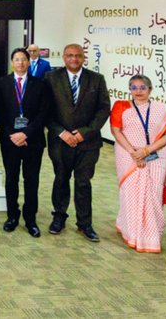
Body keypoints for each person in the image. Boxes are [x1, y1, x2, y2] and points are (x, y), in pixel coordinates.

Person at [46, 43, 110, 242]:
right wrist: (61, 132)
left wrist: (85, 133)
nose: (74, 59)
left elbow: (103, 109)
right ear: (64, 57)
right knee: (61, 179)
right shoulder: (51, 78)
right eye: (70, 55)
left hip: (88, 143)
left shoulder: (97, 79)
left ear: (84, 58)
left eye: (78, 55)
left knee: (83, 183)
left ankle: (85, 223)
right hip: (60, 141)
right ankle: (59, 217)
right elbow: (45, 110)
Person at [110, 74, 166, 253]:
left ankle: (151, 233)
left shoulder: (162, 110)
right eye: (134, 88)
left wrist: (146, 151)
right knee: (131, 193)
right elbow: (116, 131)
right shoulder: (121, 106)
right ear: (129, 89)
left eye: (142, 87)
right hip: (127, 155)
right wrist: (134, 153)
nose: (138, 91)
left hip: (156, 156)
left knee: (153, 193)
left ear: (150, 89)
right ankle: (132, 231)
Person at [0, 48, 51, 238]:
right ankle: (12, 216)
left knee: (31, 180)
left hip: (33, 141)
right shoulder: (1, 84)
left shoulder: (40, 84)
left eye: (23, 59)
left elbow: (43, 113)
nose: (20, 63)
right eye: (16, 59)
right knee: (11, 179)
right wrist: (13, 134)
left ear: (28, 62)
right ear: (12, 62)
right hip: (9, 140)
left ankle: (30, 219)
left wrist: (25, 134)